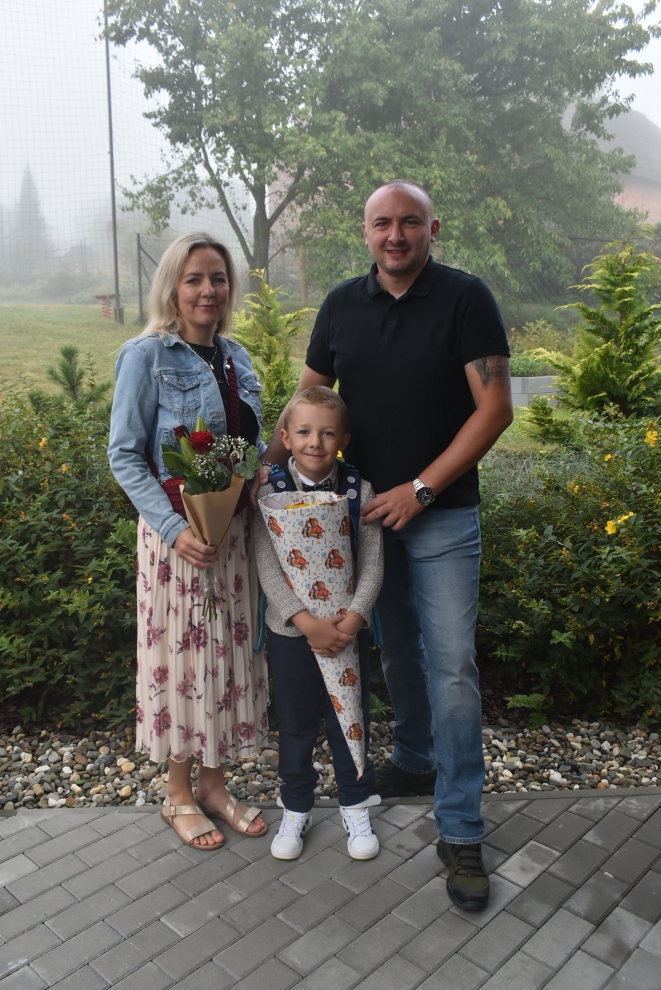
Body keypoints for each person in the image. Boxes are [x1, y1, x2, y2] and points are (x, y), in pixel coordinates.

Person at [260, 181, 513, 909]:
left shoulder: (465, 299)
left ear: (433, 227)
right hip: (358, 522)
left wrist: (421, 490)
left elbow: (495, 407)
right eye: (382, 223)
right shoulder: (342, 304)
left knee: (452, 668)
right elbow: (302, 405)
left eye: (409, 222)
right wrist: (260, 479)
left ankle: (460, 828)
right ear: (365, 232)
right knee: (395, 650)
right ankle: (413, 759)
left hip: (440, 516)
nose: (395, 235)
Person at [108, 232, 272, 850]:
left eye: (219, 279)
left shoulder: (237, 359)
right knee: (182, 664)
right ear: (173, 288)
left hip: (231, 541)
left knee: (224, 662)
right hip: (177, 544)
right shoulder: (144, 356)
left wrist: (258, 476)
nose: (209, 290)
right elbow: (126, 456)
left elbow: (245, 444)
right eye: (195, 279)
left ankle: (213, 784)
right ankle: (177, 793)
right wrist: (176, 530)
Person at [254, 386, 384, 861]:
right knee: (297, 722)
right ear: (285, 437)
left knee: (350, 718)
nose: (315, 442)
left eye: (327, 433)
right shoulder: (269, 493)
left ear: (343, 439)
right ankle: (296, 807)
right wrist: (305, 621)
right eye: (304, 432)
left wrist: (354, 618)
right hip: (292, 634)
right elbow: (267, 564)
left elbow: (372, 562)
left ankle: (356, 804)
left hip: (347, 632)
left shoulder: (358, 490)